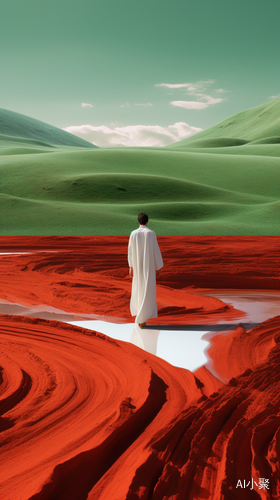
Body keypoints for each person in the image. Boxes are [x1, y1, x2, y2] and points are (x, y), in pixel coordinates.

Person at [128, 213, 163, 328]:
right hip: (149, 266)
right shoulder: (151, 233)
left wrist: (131, 266)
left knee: (139, 288)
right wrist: (157, 267)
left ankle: (141, 316)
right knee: (147, 289)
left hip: (138, 266)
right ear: (147, 221)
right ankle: (142, 318)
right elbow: (155, 250)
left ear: (138, 221)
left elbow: (131, 251)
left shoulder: (133, 233)